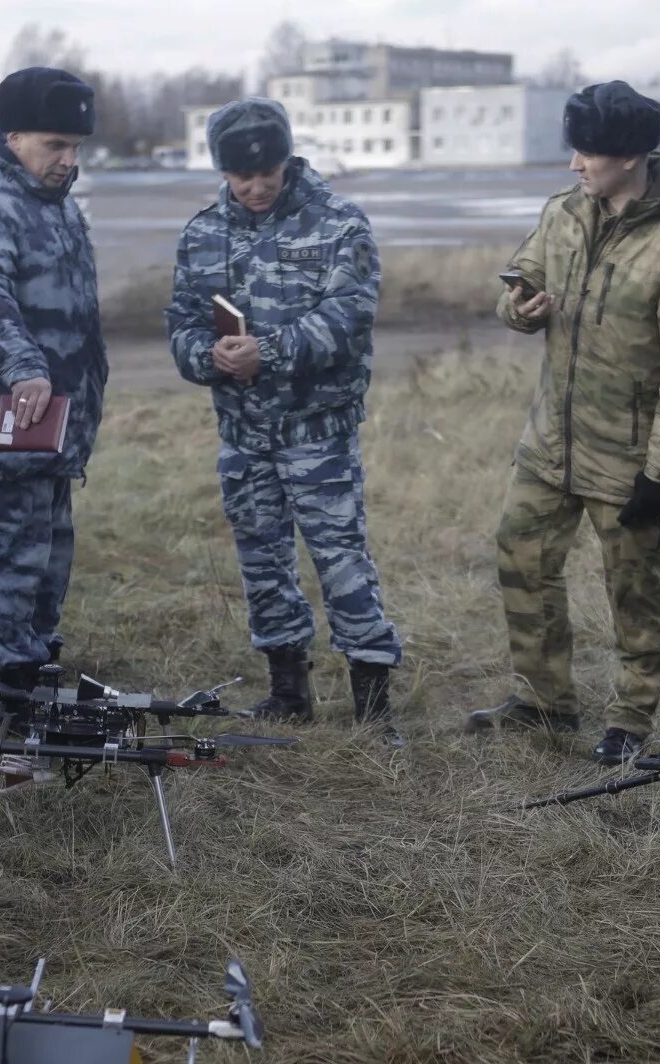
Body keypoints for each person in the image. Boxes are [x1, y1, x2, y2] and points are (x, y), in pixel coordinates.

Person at [466, 81, 660, 765]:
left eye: (588, 153)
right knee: (521, 562)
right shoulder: (563, 213)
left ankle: (630, 721)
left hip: (628, 459)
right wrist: (518, 311)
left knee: (635, 591)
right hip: (549, 444)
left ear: (631, 155)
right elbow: (517, 283)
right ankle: (542, 702)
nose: (575, 165)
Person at [166, 97, 403, 743]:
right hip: (243, 437)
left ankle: (373, 704)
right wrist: (207, 356)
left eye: (267, 170)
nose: (257, 185)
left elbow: (347, 319)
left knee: (341, 560)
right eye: (243, 176)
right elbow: (182, 325)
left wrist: (266, 352)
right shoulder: (201, 233)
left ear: (286, 158)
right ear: (222, 171)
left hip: (316, 433)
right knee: (262, 562)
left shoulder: (339, 225)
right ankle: (287, 690)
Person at [0, 66, 107, 694]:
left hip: (57, 422)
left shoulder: (52, 200)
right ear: (12, 138)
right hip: (9, 419)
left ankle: (40, 663)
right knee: (17, 556)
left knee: (52, 553)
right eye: (54, 146)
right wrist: (22, 367)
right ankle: (16, 684)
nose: (67, 161)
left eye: (75, 148)